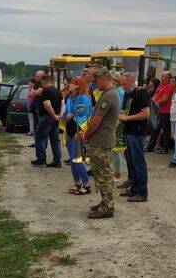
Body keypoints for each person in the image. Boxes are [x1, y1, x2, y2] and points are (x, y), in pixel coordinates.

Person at [83, 70, 121, 219]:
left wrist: (86, 134)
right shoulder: (111, 94)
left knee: (104, 174)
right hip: (103, 140)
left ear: (104, 79)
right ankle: (105, 202)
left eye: (96, 80)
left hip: (101, 141)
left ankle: (107, 207)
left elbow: (96, 121)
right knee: (101, 173)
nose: (94, 84)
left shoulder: (108, 96)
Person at [118, 73, 151, 202]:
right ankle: (134, 189)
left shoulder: (140, 92)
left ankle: (142, 193)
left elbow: (146, 113)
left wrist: (127, 118)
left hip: (137, 133)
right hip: (129, 131)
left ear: (132, 82)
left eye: (125, 84)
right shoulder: (129, 94)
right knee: (131, 162)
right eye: (121, 84)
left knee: (138, 163)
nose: (123, 87)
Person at [64, 77, 92, 195]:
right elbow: (67, 111)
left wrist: (81, 131)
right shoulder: (70, 97)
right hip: (69, 129)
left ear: (78, 86)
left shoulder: (84, 98)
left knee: (77, 159)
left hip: (78, 129)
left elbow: (85, 116)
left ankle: (86, 184)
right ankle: (77, 183)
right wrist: (64, 116)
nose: (69, 85)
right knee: (72, 159)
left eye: (72, 84)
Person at [31, 75, 64, 168]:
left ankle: (41, 159)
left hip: (47, 117)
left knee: (39, 136)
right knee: (55, 139)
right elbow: (62, 104)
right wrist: (59, 115)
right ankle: (57, 161)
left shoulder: (45, 91)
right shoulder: (58, 91)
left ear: (43, 82)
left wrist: (53, 115)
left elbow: (47, 105)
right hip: (56, 117)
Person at [147, 71, 173, 154]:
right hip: (158, 112)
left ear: (168, 78)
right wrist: (150, 104)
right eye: (161, 76)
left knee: (165, 131)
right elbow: (155, 96)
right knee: (155, 130)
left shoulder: (169, 86)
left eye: (163, 76)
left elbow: (165, 99)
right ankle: (150, 147)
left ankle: (165, 149)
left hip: (165, 112)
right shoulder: (160, 86)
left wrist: (155, 105)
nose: (161, 77)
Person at [27, 71, 46, 147]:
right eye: (36, 76)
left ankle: (43, 143)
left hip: (41, 109)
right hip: (35, 108)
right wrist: (35, 92)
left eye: (38, 76)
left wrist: (34, 92)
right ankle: (37, 142)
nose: (36, 77)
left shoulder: (43, 84)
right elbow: (30, 94)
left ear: (43, 76)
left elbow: (36, 93)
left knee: (41, 127)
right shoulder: (37, 84)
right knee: (35, 126)